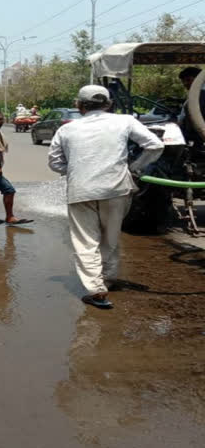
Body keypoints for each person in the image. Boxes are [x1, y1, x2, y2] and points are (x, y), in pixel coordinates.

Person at [48, 85, 163, 309]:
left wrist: (74, 170)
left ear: (78, 105)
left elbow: (54, 162)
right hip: (117, 189)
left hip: (81, 191)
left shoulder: (66, 129)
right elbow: (155, 145)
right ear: (109, 104)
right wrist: (134, 168)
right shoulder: (125, 121)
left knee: (85, 242)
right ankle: (108, 278)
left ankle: (96, 289)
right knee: (110, 237)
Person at [177, 67, 205, 149]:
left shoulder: (200, 95)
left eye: (188, 80)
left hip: (195, 136)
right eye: (183, 82)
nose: (185, 84)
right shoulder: (194, 95)